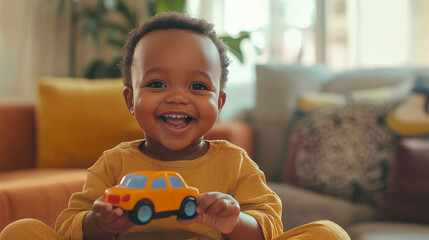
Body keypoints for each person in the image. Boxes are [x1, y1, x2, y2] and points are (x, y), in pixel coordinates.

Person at [0, 12, 350, 240]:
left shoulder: (236, 163)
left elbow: (270, 226)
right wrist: (98, 224)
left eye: (198, 87)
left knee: (328, 234)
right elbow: (69, 225)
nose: (177, 98)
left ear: (220, 103)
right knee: (21, 231)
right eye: (156, 84)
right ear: (130, 100)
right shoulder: (114, 164)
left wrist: (234, 222)